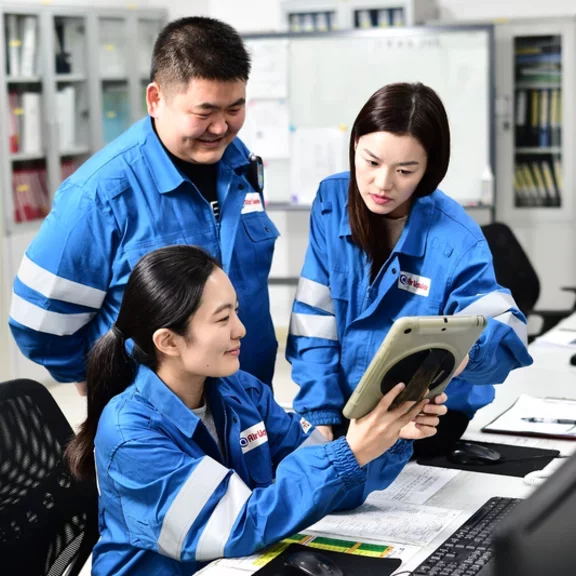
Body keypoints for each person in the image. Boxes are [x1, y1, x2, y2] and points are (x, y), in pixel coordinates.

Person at [65, 245, 447, 575]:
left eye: (236, 311)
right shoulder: (129, 433)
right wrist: (350, 453)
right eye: (222, 318)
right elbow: (235, 524)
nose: (241, 329)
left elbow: (326, 481)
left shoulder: (239, 391)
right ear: (169, 341)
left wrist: (389, 435)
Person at [8, 17, 279, 394]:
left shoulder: (240, 165)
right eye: (204, 113)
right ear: (156, 100)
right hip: (153, 423)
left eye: (234, 109)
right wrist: (98, 378)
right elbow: (37, 322)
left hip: (248, 402)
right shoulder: (99, 193)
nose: (220, 128)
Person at [287, 82, 533, 445]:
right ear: (355, 142)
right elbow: (315, 319)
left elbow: (508, 336)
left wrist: (462, 354)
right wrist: (319, 414)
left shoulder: (456, 239)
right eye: (371, 162)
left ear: (429, 169)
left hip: (427, 419)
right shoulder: (331, 200)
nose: (381, 184)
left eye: (405, 171)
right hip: (345, 413)